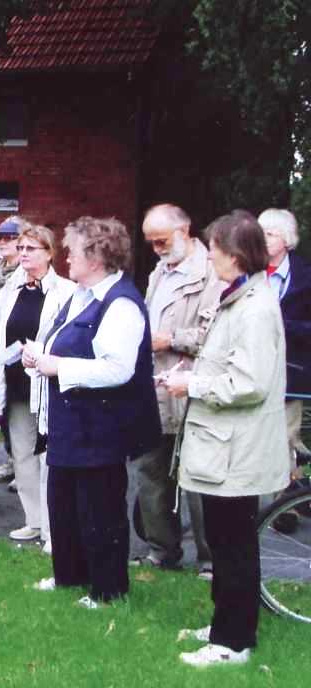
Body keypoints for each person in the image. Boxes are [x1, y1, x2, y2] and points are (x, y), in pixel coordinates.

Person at [164, 210, 290, 667]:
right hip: (226, 445)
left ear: (234, 256)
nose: (209, 256)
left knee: (233, 543)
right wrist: (197, 374)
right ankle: (226, 622)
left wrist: (192, 385)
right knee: (226, 539)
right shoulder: (240, 295)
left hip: (236, 449)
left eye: (214, 249)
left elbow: (250, 382)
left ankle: (233, 643)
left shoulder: (254, 307)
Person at [25, 216, 160, 608]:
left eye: (73, 250)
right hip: (70, 423)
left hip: (101, 426)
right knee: (64, 503)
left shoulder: (121, 303)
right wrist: (40, 356)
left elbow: (119, 368)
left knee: (100, 509)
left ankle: (107, 589)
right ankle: (68, 575)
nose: (67, 256)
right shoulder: (82, 295)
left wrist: (58, 367)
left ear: (97, 256)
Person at [133, 204, 222, 578]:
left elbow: (217, 336)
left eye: (162, 241)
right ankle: (161, 550)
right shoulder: (159, 272)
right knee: (150, 472)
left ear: (185, 230)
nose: (156, 249)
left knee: (198, 481)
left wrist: (171, 339)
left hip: (192, 390)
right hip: (154, 389)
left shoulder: (212, 273)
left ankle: (211, 560)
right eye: (151, 243)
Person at [0, 222, 74, 548]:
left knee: (47, 456)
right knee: (23, 454)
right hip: (14, 381)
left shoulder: (65, 291)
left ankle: (55, 529)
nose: (24, 254)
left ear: (50, 253)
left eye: (31, 249)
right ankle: (34, 520)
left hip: (46, 383)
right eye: (21, 248)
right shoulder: (10, 289)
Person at [259, 209, 311, 468]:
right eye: (260, 233)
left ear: (287, 239)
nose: (263, 239)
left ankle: (286, 506)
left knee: (286, 442)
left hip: (289, 373)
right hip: (253, 368)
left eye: (270, 234)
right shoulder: (248, 271)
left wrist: (282, 325)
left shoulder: (305, 277)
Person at [0, 216, 24, 485]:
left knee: (18, 410)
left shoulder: (24, 271)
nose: (2, 242)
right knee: (1, 404)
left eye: (9, 238)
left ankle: (24, 469)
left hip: (16, 349)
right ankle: (12, 460)